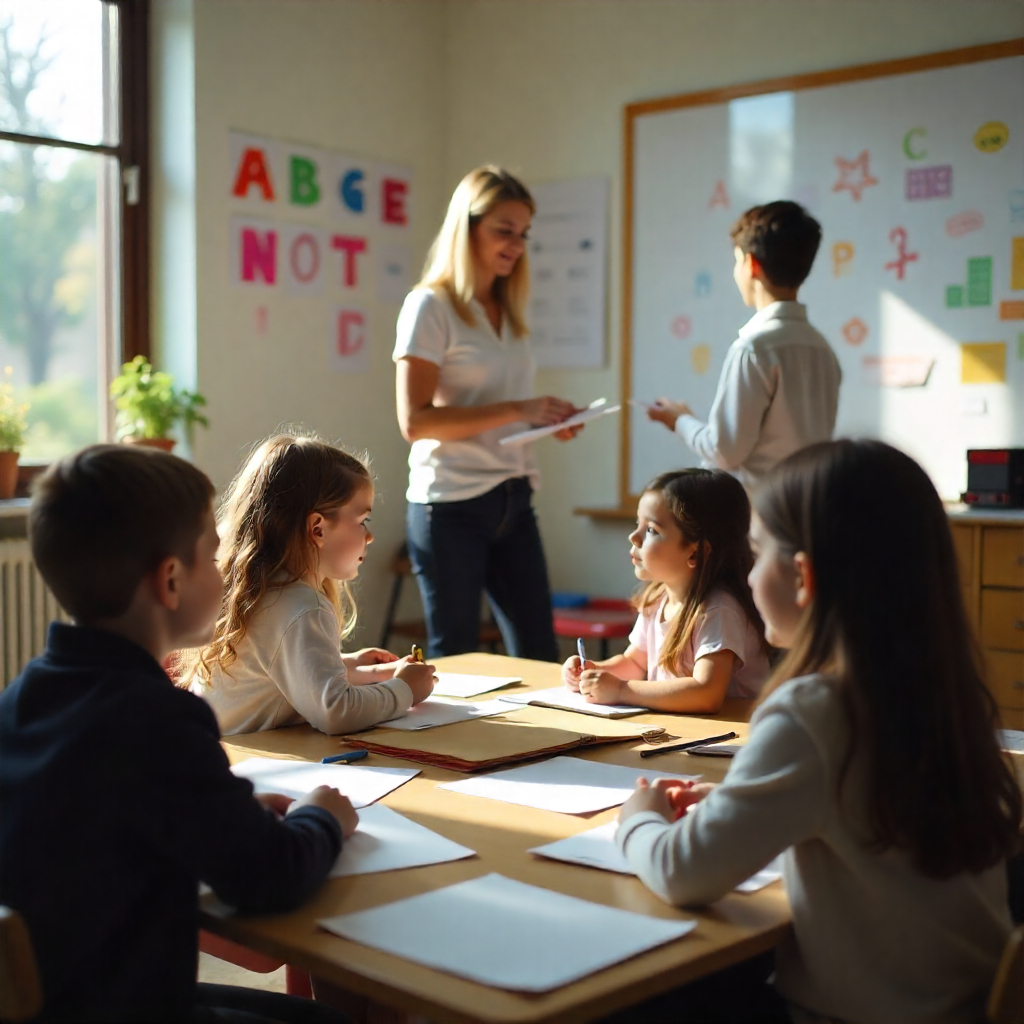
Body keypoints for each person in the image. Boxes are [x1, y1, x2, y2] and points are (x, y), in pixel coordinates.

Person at [616, 440, 1022, 1024]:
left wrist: (640, 819)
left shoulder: (813, 712)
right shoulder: (945, 696)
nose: (749, 575)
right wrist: (742, 801)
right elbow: (853, 809)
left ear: (802, 576)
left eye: (756, 554)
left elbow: (683, 873)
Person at [0, 444, 356, 1024]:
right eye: (212, 558)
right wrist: (323, 816)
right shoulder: (159, 720)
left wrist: (224, 812)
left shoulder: (26, 695)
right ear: (170, 580)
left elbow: (107, 815)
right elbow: (271, 878)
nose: (225, 571)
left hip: (62, 995)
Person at [394, 165, 582, 660]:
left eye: (523, 233)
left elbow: (502, 408)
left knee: (539, 651)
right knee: (454, 655)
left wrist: (546, 419)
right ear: (468, 225)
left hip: (514, 497)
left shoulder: (508, 308)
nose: (517, 245)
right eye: (504, 230)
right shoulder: (429, 306)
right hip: (452, 505)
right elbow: (415, 422)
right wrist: (520, 408)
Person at [187, 434, 435, 735]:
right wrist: (405, 690)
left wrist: (357, 669)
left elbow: (283, 673)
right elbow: (336, 712)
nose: (369, 537)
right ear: (317, 529)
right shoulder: (301, 607)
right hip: (247, 768)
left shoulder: (265, 592)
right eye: (363, 521)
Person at [647, 201, 841, 490]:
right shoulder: (822, 349)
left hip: (759, 516)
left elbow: (724, 452)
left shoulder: (755, 349)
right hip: (804, 509)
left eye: (737, 261)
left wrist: (679, 420)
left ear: (751, 264)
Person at [561, 468, 768, 713]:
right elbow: (634, 663)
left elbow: (707, 692)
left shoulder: (718, 609)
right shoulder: (658, 599)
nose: (633, 537)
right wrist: (592, 672)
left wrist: (621, 690)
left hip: (727, 742)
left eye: (651, 530)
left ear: (694, 552)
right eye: (637, 524)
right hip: (683, 734)